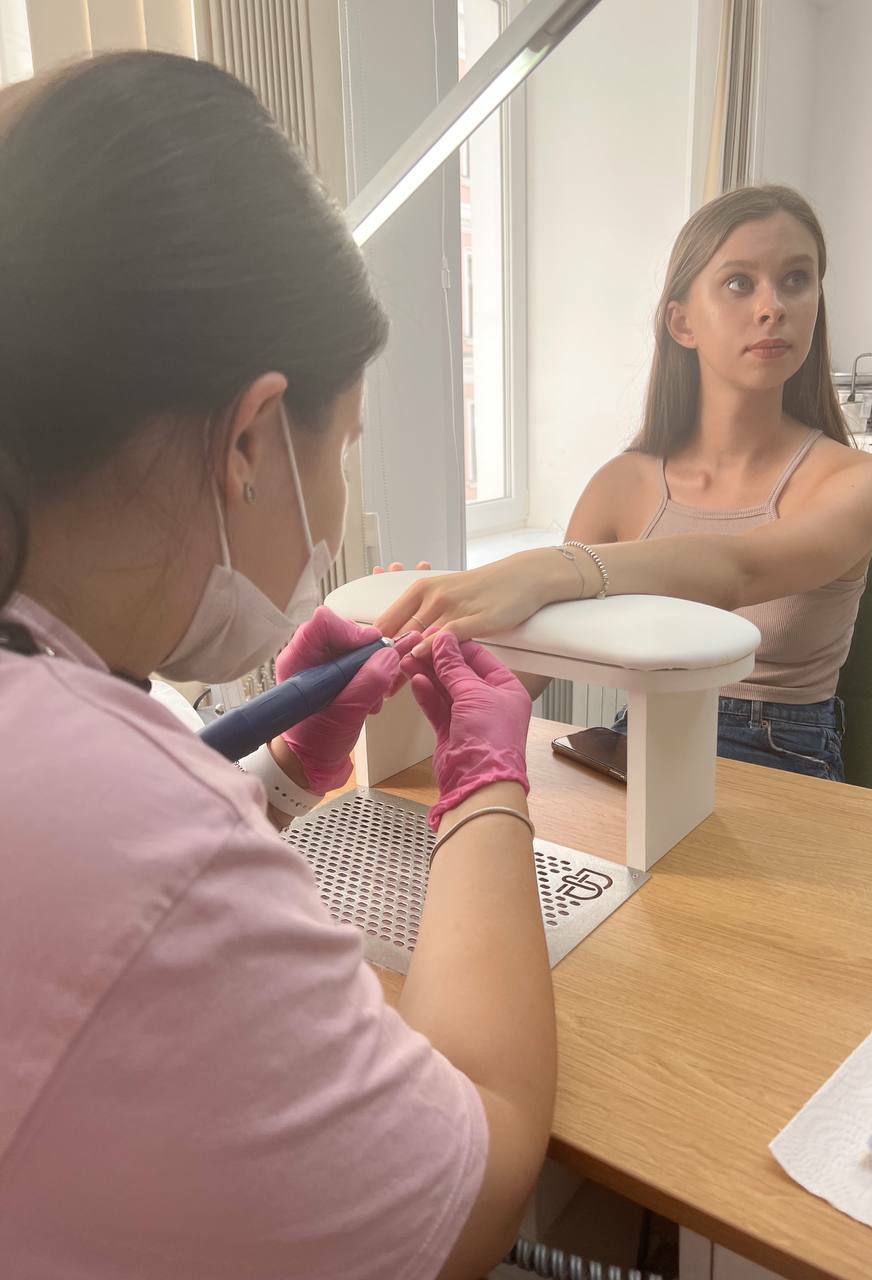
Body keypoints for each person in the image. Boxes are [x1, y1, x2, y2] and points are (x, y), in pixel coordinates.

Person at [0, 52, 556, 1279]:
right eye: (344, 440)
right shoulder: (127, 824)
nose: (339, 493)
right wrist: (486, 786)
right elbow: (475, 1183)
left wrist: (286, 765)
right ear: (250, 437)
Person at [380, 186, 872, 782]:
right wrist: (424, 651)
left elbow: (739, 571)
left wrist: (550, 570)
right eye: (740, 283)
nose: (773, 306)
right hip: (633, 748)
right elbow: (524, 675)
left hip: (782, 760)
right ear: (682, 321)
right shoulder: (620, 484)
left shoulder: (863, 482)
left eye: (796, 279)